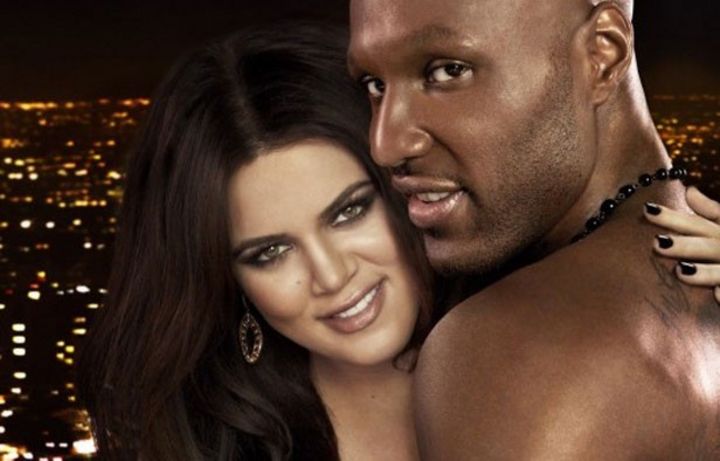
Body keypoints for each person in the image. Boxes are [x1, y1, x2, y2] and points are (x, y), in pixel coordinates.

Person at [78, 19, 718, 461]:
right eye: (270, 252)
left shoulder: (569, 336)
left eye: (349, 212)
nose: (331, 275)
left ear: (410, 186)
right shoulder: (202, 447)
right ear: (232, 280)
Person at [347, 0, 720, 458]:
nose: (385, 145)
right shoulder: (690, 296)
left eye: (448, 71)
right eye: (374, 84)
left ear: (602, 56)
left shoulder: (513, 345)